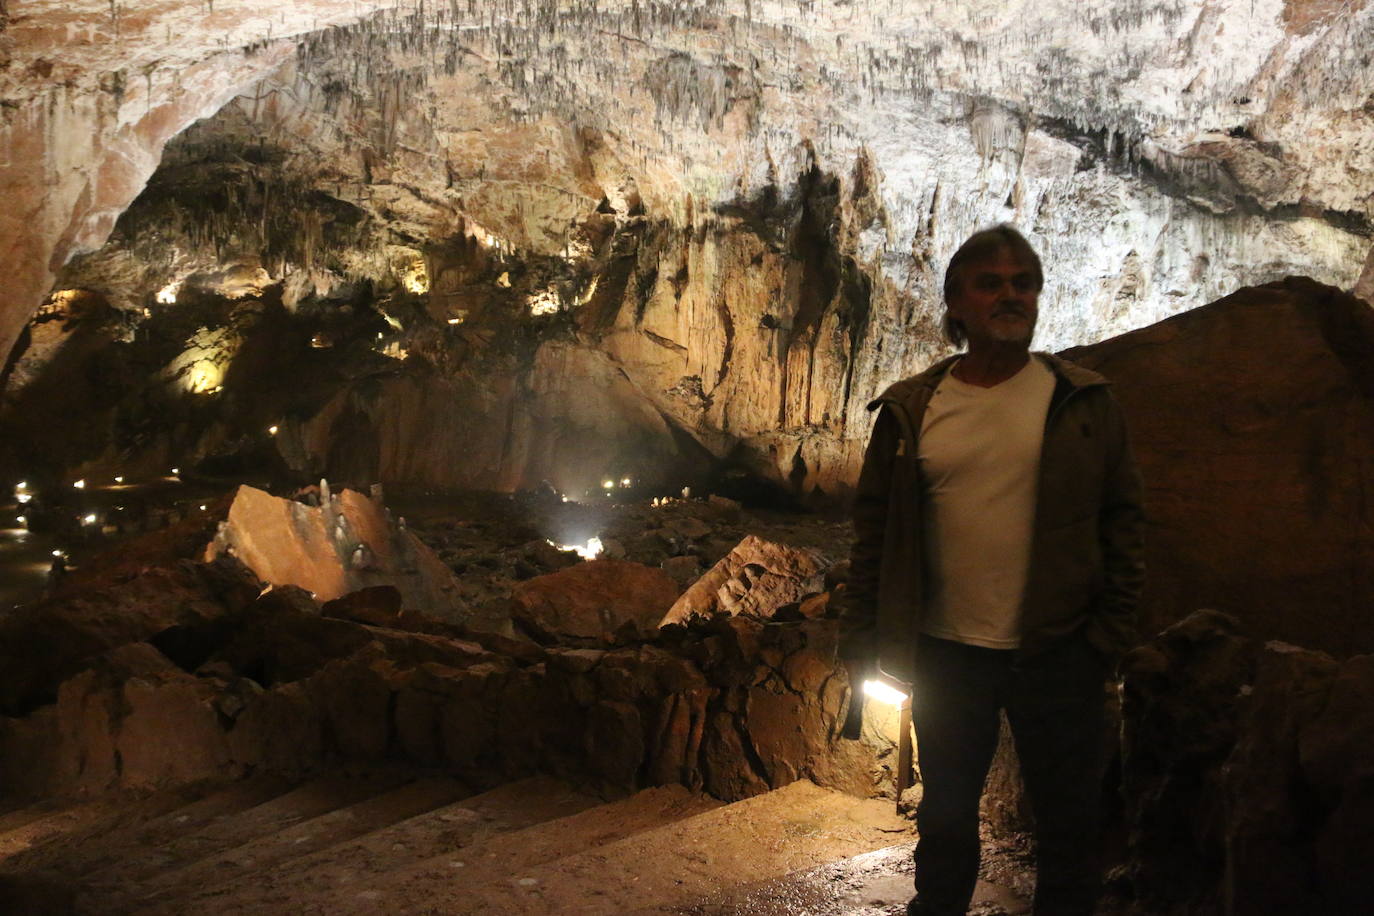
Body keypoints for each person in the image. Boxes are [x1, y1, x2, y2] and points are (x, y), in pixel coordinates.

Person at [841, 225, 1145, 916]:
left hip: (1060, 649)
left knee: (1068, 826)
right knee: (945, 817)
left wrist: (1108, 635)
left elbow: (1122, 520)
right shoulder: (914, 409)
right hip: (949, 652)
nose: (1010, 295)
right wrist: (862, 632)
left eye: (1023, 282)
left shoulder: (1084, 402)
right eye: (991, 283)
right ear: (956, 302)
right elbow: (876, 531)